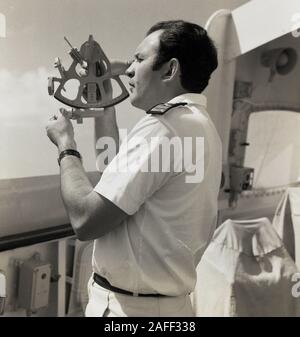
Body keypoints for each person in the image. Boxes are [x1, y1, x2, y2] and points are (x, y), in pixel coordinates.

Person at [46, 20, 222, 317]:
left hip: (131, 311)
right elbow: (112, 169)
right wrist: (105, 103)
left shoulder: (163, 128)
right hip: (170, 308)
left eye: (139, 60)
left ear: (170, 70)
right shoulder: (198, 126)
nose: (128, 70)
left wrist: (66, 146)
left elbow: (85, 219)